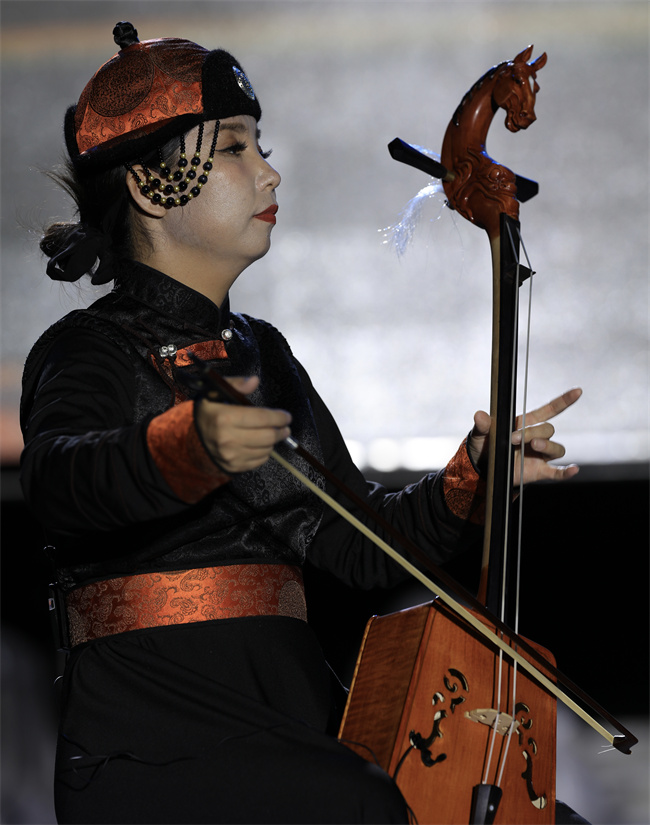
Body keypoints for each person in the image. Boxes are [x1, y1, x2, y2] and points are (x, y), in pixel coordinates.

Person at [20, 22, 583, 825]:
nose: (269, 169)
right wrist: (186, 448)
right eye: (234, 148)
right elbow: (58, 481)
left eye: (262, 145)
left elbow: (359, 545)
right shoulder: (88, 347)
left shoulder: (264, 351)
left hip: (294, 723)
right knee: (367, 807)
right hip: (156, 744)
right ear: (148, 183)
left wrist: (470, 478)